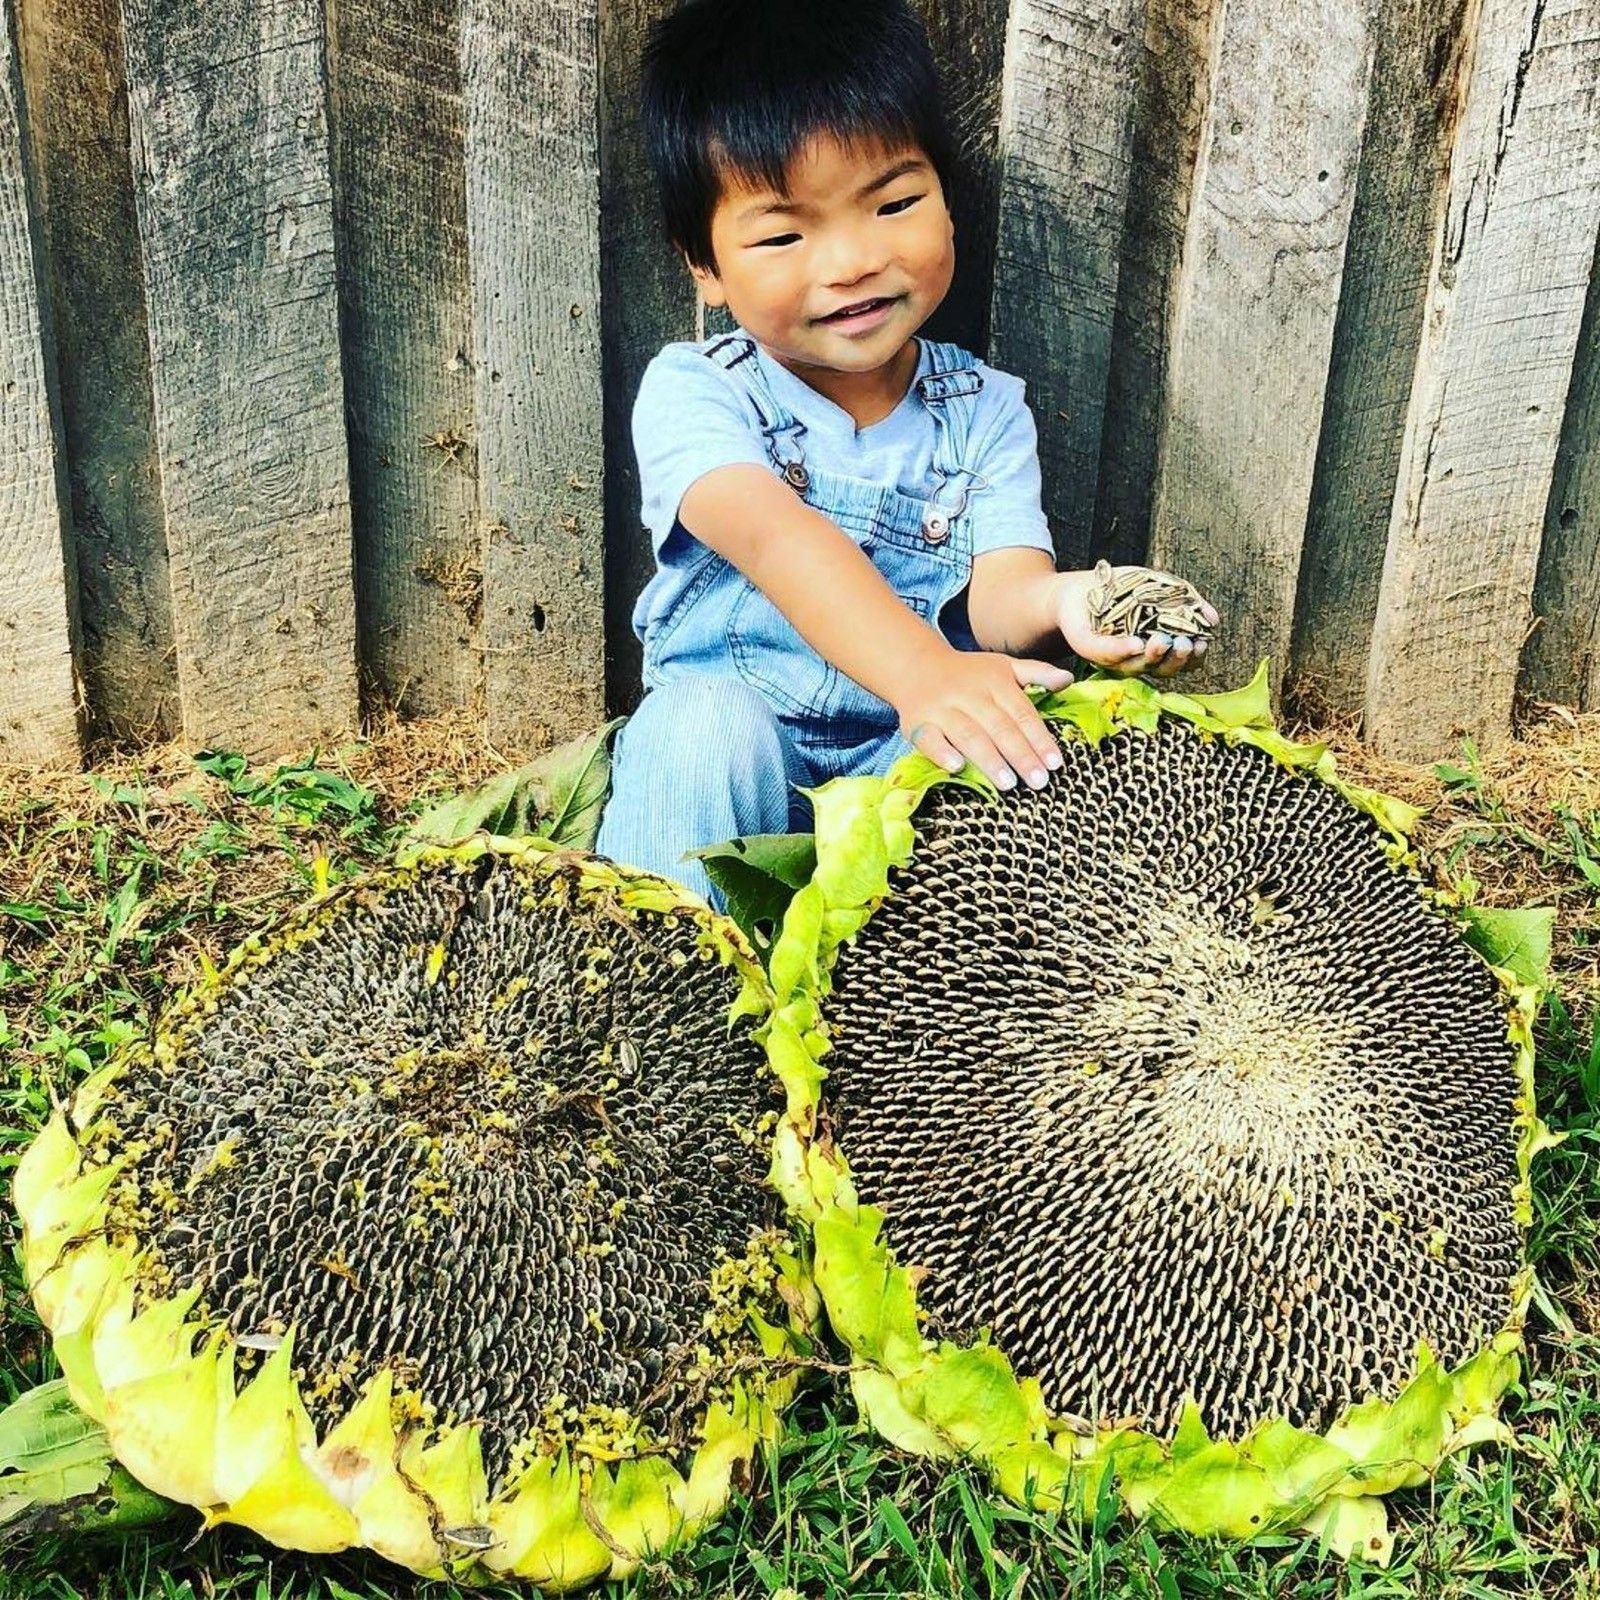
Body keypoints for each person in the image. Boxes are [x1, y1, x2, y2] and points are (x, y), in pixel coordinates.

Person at [596, 0, 1216, 904]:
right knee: (697, 733)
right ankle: (662, 994)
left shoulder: (987, 413)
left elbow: (999, 592)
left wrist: (1076, 600)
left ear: (947, 202)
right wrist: (925, 670)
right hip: (739, 750)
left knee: (1026, 743)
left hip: (906, 748)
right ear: (705, 266)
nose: (850, 261)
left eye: (892, 203)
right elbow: (776, 539)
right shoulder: (700, 390)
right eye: (783, 235)